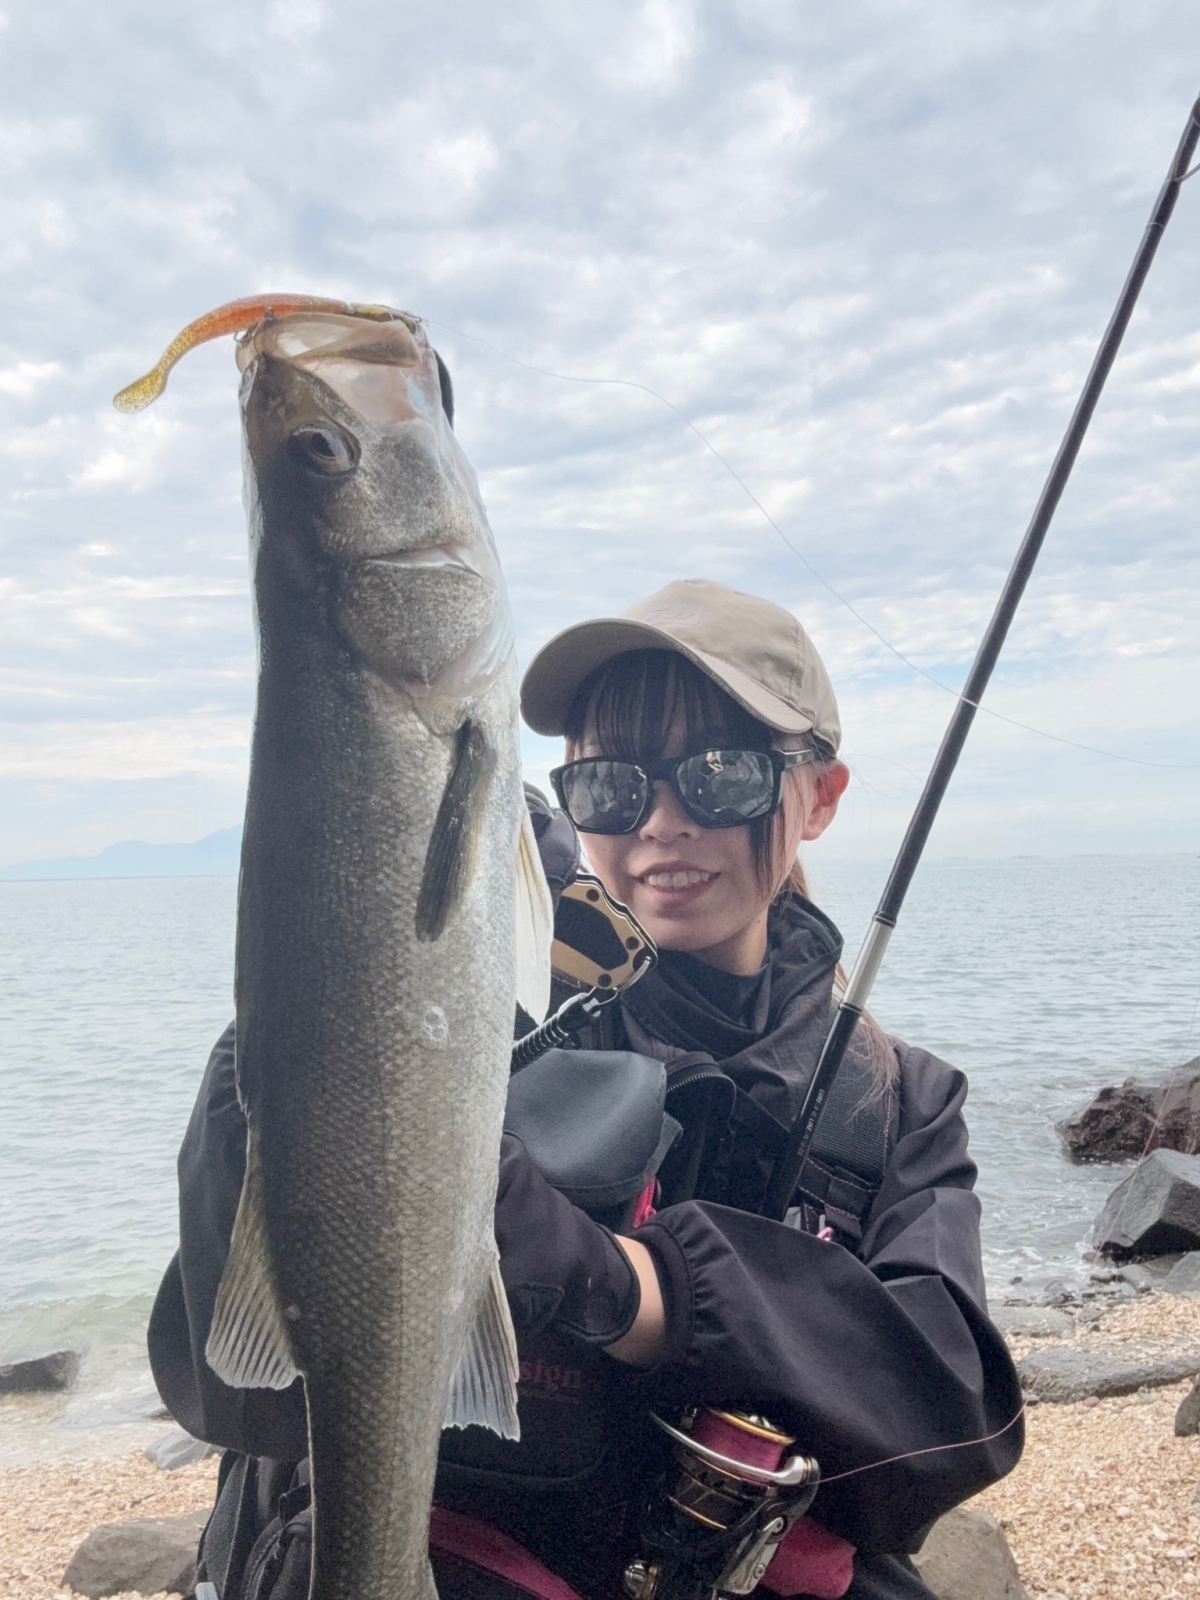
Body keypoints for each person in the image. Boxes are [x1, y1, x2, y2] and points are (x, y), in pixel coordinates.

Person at [148, 579, 1022, 1600]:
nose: (662, 823)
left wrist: (625, 1282)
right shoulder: (474, 1028)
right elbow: (231, 1391)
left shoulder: (895, 1099)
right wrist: (283, 1057)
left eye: (722, 775)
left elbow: (955, 1413)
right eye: (611, 784)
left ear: (820, 795)